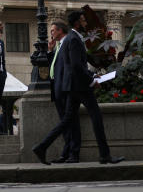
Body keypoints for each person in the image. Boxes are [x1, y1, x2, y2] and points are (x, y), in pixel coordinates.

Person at [48, 11, 124, 166]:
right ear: (76, 23)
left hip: (71, 87)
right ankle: (103, 155)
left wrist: (90, 76)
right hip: (74, 87)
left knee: (69, 120)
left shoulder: (70, 39)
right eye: (82, 20)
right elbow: (74, 66)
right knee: (83, 119)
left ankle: (46, 146)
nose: (85, 23)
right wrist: (91, 80)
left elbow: (74, 66)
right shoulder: (72, 39)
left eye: (53, 30)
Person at [31, 20, 76, 164]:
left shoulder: (67, 42)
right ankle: (66, 153)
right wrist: (50, 51)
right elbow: (53, 66)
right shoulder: (57, 47)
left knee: (69, 121)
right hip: (58, 88)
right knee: (66, 121)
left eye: (53, 30)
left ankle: (71, 153)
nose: (50, 33)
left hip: (65, 88)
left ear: (60, 30)